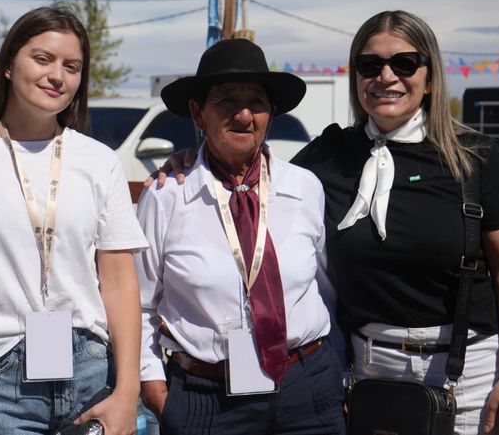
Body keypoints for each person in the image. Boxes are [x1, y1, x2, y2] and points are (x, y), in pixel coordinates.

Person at [291, 10, 499, 435]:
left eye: (404, 63)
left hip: (470, 377)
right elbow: (253, 178)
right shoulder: (330, 154)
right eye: (370, 65)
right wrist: (187, 163)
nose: (386, 76)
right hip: (368, 375)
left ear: (430, 79)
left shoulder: (476, 157)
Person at [0, 6, 148, 435]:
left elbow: (119, 282)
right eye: (42, 59)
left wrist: (128, 391)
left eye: (71, 67)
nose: (57, 76)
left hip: (91, 372)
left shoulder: (99, 161)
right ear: (8, 65)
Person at [136, 38, 345, 435]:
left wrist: (335, 372)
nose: (244, 115)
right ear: (198, 113)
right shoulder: (167, 197)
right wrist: (154, 387)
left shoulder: (304, 188)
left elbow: (326, 290)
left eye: (257, 102)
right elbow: (140, 304)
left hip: (306, 390)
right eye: (227, 101)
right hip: (207, 397)